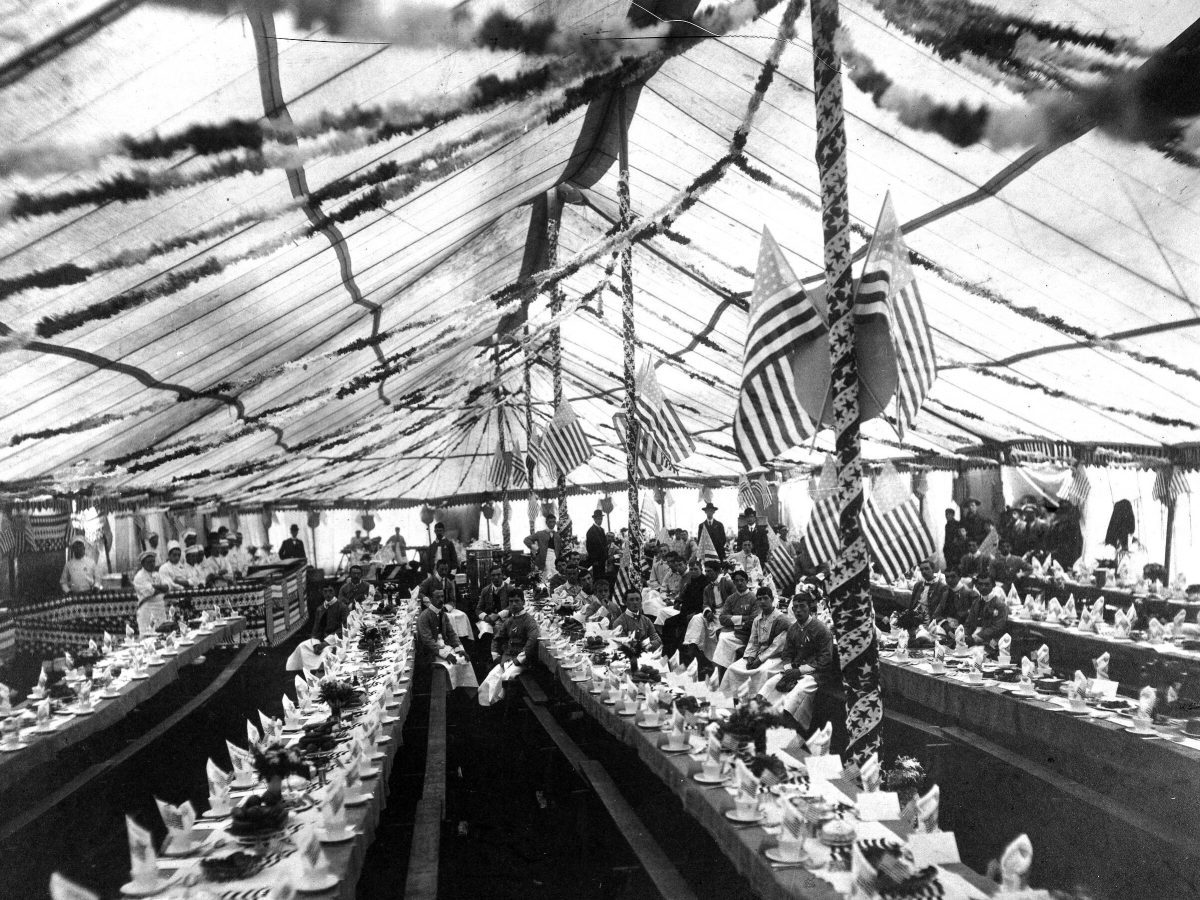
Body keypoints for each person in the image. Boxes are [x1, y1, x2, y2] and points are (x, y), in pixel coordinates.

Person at [760, 592, 837, 731]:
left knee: (794, 696)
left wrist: (800, 671)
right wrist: (789, 670)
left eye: (802, 606)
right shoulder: (793, 628)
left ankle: (795, 734)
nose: (798, 610)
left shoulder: (822, 630)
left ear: (810, 608)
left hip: (816, 674)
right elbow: (787, 654)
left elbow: (825, 659)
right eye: (795, 607)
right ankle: (772, 727)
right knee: (768, 687)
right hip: (794, 670)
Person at [719, 587, 791, 696]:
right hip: (758, 655)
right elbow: (753, 641)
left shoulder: (782, 620)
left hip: (776, 657)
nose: (762, 602)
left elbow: (777, 646)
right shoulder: (757, 619)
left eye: (765, 598)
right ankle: (732, 699)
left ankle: (756, 703)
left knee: (761, 672)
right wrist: (750, 657)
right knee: (733, 669)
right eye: (759, 599)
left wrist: (759, 660)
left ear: (772, 599)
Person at [713, 569, 757, 672]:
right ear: (733, 582)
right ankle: (723, 670)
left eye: (742, 580)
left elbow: (753, 619)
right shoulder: (731, 598)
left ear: (747, 581)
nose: (739, 583)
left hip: (746, 633)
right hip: (732, 631)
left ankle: (724, 671)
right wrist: (742, 618)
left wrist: (732, 618)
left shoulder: (753, 598)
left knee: (724, 639)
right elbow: (722, 618)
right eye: (736, 581)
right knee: (723, 638)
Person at [416, 589, 464, 666]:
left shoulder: (443, 614)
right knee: (451, 665)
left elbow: (451, 633)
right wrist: (445, 655)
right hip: (431, 653)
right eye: (437, 597)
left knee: (463, 659)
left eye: (442, 597)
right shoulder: (424, 616)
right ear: (431, 599)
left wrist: (458, 648)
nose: (441, 599)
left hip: (444, 647)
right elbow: (428, 641)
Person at [929, 570, 978, 635]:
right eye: (947, 577)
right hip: (947, 627)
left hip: (964, 628)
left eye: (953, 576)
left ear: (959, 577)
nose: (949, 580)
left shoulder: (970, 593)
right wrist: (945, 623)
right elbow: (936, 615)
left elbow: (974, 615)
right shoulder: (945, 594)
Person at [132, 549, 169, 635]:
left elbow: (166, 588)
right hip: (147, 609)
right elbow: (152, 591)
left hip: (160, 608)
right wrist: (159, 588)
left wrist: (154, 586)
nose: (152, 564)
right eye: (149, 562)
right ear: (143, 563)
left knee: (162, 634)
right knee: (148, 636)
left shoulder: (157, 574)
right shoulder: (139, 577)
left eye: (153, 561)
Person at [966, 575, 1009, 648]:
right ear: (976, 586)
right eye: (980, 584)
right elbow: (969, 622)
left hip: (989, 642)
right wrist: (965, 634)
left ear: (993, 585)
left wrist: (975, 638)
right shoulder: (976, 602)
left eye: (987, 584)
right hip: (973, 639)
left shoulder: (1000, 605)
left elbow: (997, 628)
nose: (983, 587)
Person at [585, 510, 608, 580]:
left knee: (603, 577)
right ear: (594, 519)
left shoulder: (602, 530)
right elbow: (589, 548)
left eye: (601, 519)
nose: (600, 520)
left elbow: (605, 544)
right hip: (596, 561)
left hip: (603, 560)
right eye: (598, 518)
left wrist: (605, 556)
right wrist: (594, 561)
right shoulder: (590, 531)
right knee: (597, 578)